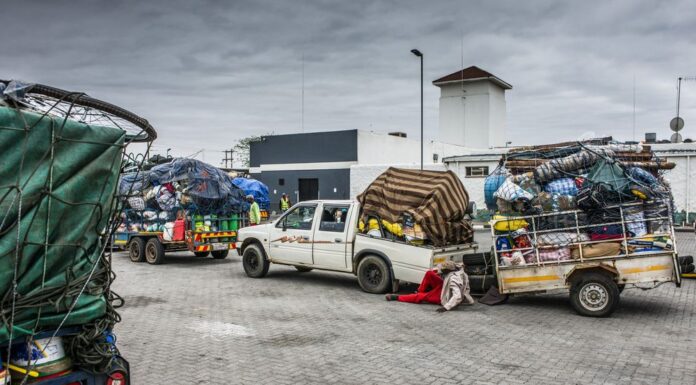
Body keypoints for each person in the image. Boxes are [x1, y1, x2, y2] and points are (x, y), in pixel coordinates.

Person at [385, 261, 474, 312]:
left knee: (419, 297)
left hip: (443, 297)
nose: (440, 272)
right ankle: (420, 291)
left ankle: (397, 297)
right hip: (445, 287)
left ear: (447, 271)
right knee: (429, 273)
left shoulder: (454, 279)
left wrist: (446, 307)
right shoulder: (457, 268)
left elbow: (457, 296)